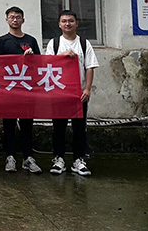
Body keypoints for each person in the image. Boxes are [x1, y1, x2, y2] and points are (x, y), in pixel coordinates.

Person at [45, 10, 99, 177]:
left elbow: (89, 67)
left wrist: (87, 89)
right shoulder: (54, 43)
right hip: (59, 94)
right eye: (64, 21)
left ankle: (78, 160)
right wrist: (63, 55)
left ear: (77, 23)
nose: (67, 24)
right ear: (59, 24)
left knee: (79, 128)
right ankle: (59, 159)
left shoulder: (84, 43)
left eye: (70, 21)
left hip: (79, 94)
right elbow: (47, 64)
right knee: (58, 128)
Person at [0, 6, 42, 174]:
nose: (15, 20)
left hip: (27, 89)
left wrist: (31, 58)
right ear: (6, 20)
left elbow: (40, 64)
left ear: (23, 20)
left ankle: (28, 158)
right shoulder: (2, 41)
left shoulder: (31, 40)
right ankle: (10, 157)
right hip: (8, 90)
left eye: (18, 17)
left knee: (27, 124)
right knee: (9, 124)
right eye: (12, 17)